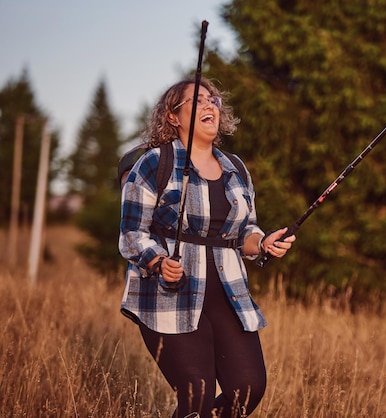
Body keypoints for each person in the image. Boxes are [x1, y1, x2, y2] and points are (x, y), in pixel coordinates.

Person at [118, 77, 296, 417]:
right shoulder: (155, 163)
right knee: (197, 394)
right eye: (197, 100)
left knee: (247, 390)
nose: (210, 105)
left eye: (213, 100)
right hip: (169, 295)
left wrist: (263, 243)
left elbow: (245, 231)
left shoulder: (236, 168)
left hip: (228, 293)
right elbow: (131, 234)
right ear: (172, 116)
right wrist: (157, 261)